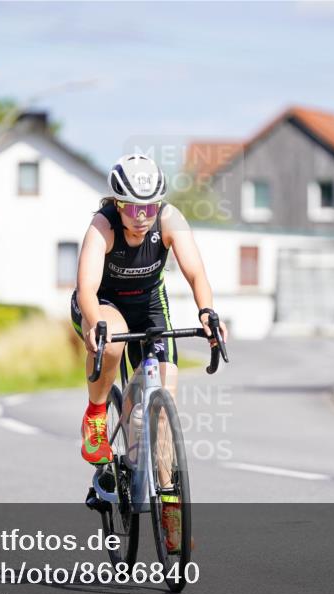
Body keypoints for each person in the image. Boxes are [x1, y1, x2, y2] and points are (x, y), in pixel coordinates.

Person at [70, 153, 227, 551]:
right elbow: (87, 287)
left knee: (161, 405)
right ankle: (96, 416)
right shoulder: (102, 226)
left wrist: (207, 313)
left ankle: (170, 505)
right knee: (115, 336)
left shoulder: (169, 220)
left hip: (150, 305)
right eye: (134, 207)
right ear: (118, 204)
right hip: (103, 304)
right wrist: (95, 323)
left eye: (150, 206)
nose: (143, 216)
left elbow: (196, 272)